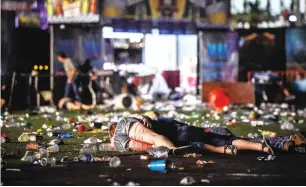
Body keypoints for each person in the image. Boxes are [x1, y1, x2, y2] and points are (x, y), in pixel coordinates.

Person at [108, 114, 306, 155]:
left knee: (223, 143)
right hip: (185, 133)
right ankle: (281, 142)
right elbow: (154, 131)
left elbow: (154, 143)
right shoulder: (135, 124)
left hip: (187, 139)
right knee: (226, 138)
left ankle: (281, 143)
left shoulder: (126, 134)